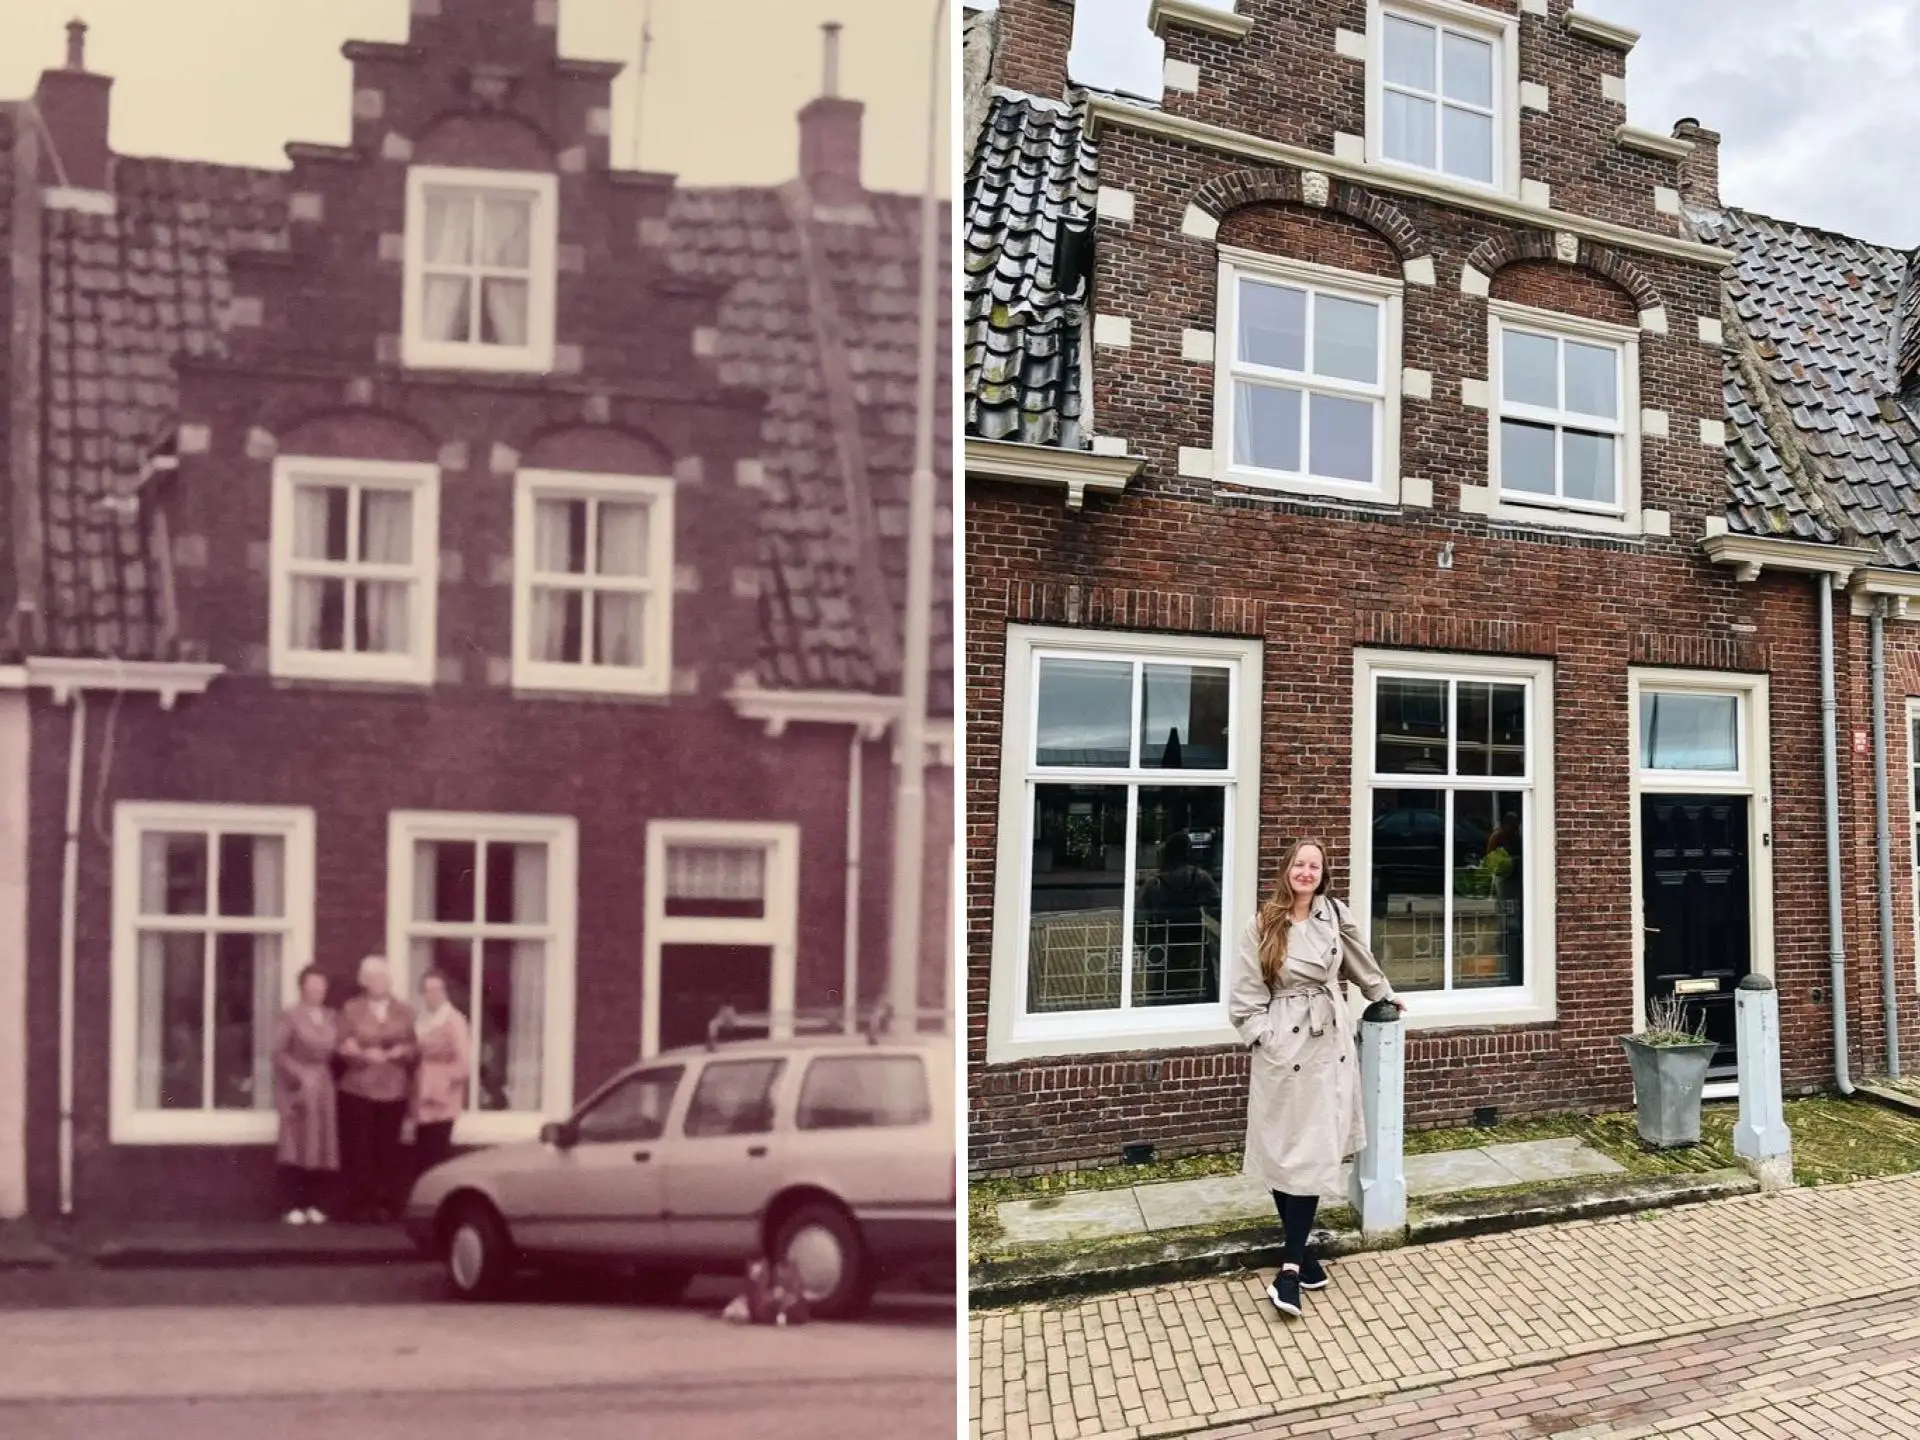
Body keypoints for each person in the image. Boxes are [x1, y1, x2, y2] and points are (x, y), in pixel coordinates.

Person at [1228, 838, 1402, 1319]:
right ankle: (1303, 1254)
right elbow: (1244, 994)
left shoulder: (1332, 915)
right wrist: (1264, 1037)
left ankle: (1288, 1269)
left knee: (1309, 1148)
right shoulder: (1261, 924)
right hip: (1282, 1044)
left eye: (1315, 866)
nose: (1306, 872)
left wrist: (1382, 993)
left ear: (1323, 874)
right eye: (1299, 864)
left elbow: (1359, 959)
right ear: (1287, 870)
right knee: (1280, 1148)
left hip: (1326, 1043)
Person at [335, 955, 418, 1224]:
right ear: (363, 981)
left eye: (383, 976)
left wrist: (400, 1051)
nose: (379, 982)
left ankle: (386, 1205)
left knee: (388, 1148)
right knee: (360, 1149)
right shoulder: (351, 1009)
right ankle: (362, 1205)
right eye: (372, 977)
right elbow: (341, 1044)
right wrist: (360, 1054)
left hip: (394, 1088)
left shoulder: (405, 1010)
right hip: (358, 1088)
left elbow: (416, 1047)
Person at [272, 965, 340, 1225]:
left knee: (322, 1144)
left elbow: (337, 1049)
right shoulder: (289, 1015)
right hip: (298, 1086)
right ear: (302, 988)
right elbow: (278, 1053)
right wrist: (298, 1076)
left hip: (324, 1084)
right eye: (311, 987)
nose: (317, 991)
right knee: (297, 1143)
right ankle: (291, 1205)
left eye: (321, 987)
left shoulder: (331, 1016)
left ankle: (316, 1204)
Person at [411, 970, 471, 1177]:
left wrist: (444, 1082)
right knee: (422, 1151)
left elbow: (464, 1062)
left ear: (445, 992)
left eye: (437, 989)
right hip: (422, 1093)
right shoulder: (422, 1019)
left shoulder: (454, 1020)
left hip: (442, 1097)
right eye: (428, 990)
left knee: (436, 1150)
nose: (433, 995)